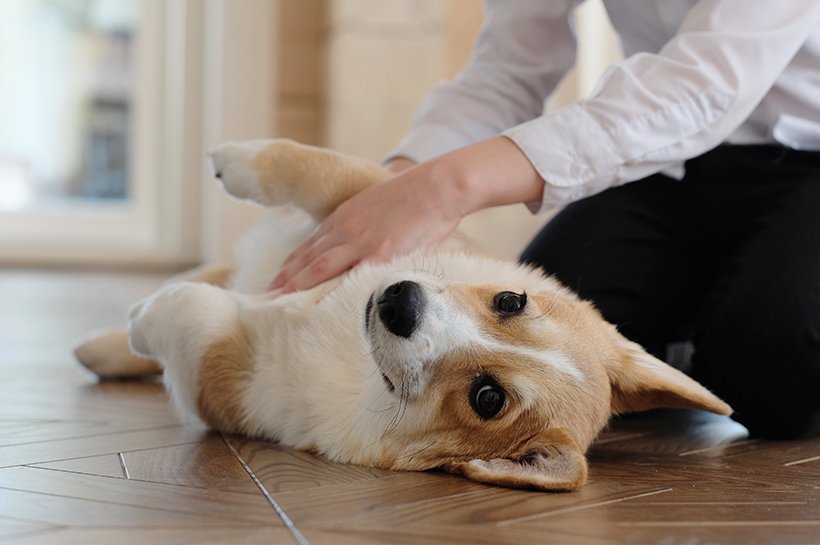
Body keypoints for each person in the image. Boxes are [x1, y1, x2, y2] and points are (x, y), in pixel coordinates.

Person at [270, 1, 820, 439]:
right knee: (543, 309)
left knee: (772, 377)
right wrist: (392, 186)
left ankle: (729, 327)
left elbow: (706, 84)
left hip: (807, 156)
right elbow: (506, 70)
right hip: (671, 164)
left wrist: (445, 189)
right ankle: (712, 318)